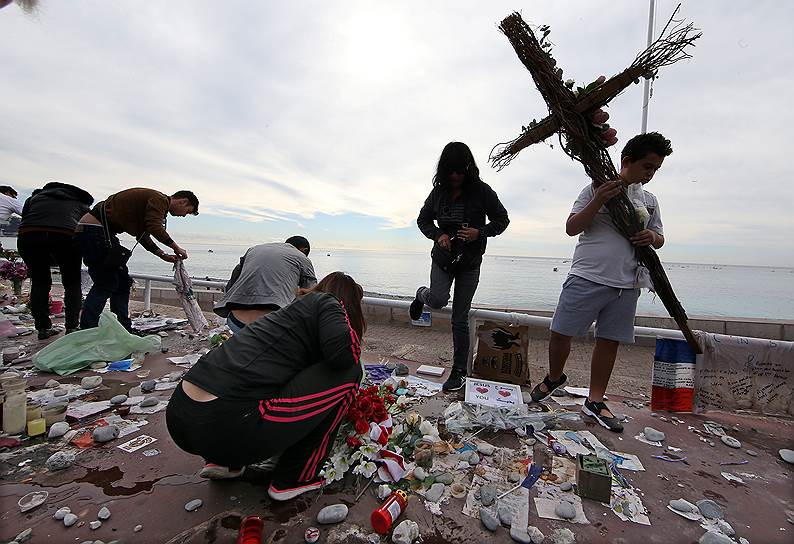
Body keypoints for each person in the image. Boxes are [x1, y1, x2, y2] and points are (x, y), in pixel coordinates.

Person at [166, 272, 365, 501]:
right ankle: (295, 477)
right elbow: (345, 356)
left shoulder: (287, 316)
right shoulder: (329, 302)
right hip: (226, 425)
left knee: (253, 385)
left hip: (181, 417)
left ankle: (224, 462)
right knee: (350, 373)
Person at [531, 132, 672, 433]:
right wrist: (598, 200)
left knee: (608, 341)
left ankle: (595, 400)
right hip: (587, 274)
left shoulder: (649, 201)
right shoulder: (596, 188)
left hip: (627, 282)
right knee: (560, 333)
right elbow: (572, 227)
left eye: (656, 169)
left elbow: (659, 237)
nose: (650, 174)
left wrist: (652, 237)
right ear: (626, 161)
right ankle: (555, 377)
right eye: (647, 166)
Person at [409, 142, 510, 392]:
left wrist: (481, 232)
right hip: (443, 260)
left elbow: (502, 219)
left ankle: (458, 372)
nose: (454, 176)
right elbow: (422, 220)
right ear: (444, 171)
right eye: (450, 171)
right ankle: (422, 294)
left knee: (460, 319)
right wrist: (438, 234)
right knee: (438, 300)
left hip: (470, 263)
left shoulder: (483, 191)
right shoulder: (438, 193)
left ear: (468, 169)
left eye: (459, 171)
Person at [74, 188, 199, 331]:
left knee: (122, 283)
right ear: (183, 201)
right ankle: (88, 329)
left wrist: (162, 255)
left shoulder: (153, 204)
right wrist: (176, 247)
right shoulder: (160, 200)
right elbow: (154, 227)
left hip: (96, 232)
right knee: (106, 283)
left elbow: (142, 235)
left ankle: (121, 328)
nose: (184, 216)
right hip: (94, 232)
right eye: (187, 212)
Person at [17, 182, 94, 340]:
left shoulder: (35, 198)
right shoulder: (81, 204)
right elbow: (87, 229)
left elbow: (25, 218)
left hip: (29, 236)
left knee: (40, 282)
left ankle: (43, 329)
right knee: (72, 283)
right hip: (65, 237)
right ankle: (72, 327)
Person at [214, 236, 317, 333]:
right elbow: (312, 295)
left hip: (235, 321)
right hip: (272, 325)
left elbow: (235, 276)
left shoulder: (254, 249)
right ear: (304, 250)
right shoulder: (302, 258)